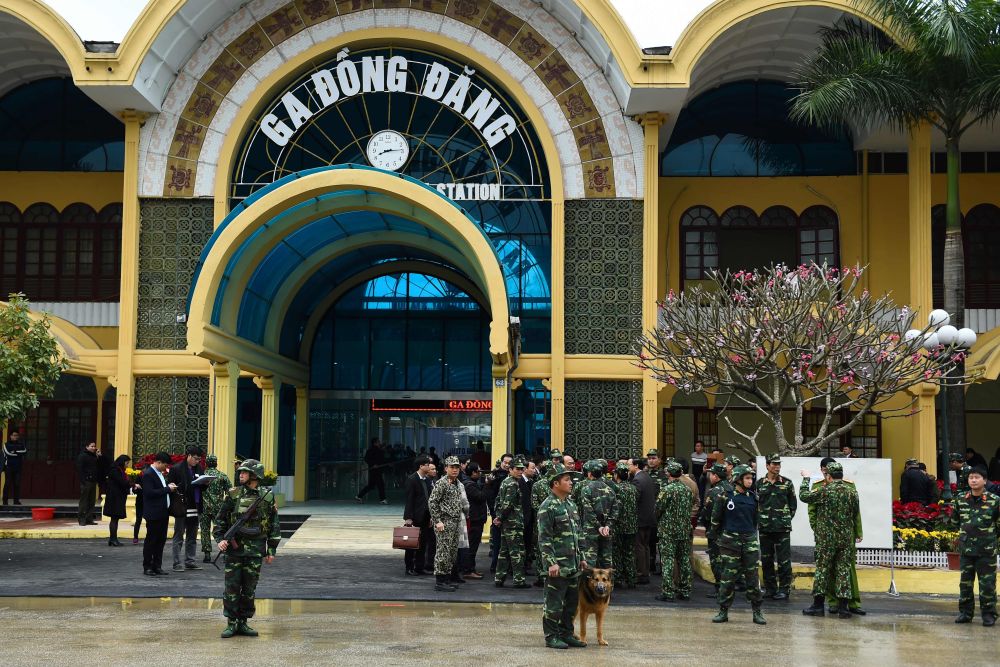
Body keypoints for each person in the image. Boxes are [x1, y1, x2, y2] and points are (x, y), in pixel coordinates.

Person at [215, 458, 280, 638]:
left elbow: (274, 524)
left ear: (254, 475)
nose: (240, 474)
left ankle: (243, 622)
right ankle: (231, 623)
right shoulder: (233, 494)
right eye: (240, 472)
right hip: (234, 550)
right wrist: (220, 539)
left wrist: (271, 549)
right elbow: (220, 520)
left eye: (244, 472)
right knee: (231, 588)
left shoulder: (267, 496)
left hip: (255, 550)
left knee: (249, 589)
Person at [800, 461, 861, 619]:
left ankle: (818, 606)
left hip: (826, 539)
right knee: (843, 571)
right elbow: (855, 514)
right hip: (846, 539)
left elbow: (804, 496)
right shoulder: (852, 492)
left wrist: (806, 479)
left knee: (823, 570)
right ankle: (843, 609)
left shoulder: (824, 490)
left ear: (828, 475)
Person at [537, 468, 589, 650]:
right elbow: (544, 538)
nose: (571, 482)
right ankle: (551, 636)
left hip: (573, 564)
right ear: (555, 484)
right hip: (557, 565)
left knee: (571, 604)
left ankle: (566, 633)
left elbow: (578, 533)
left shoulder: (570, 504)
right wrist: (551, 562)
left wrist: (582, 557)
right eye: (567, 479)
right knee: (554, 603)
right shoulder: (547, 507)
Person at [709, 464, 765, 625]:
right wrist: (719, 539)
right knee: (728, 578)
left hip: (749, 542)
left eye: (751, 477)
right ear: (738, 479)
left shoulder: (754, 498)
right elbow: (716, 520)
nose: (750, 480)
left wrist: (750, 536)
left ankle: (757, 611)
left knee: (753, 578)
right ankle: (723, 611)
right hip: (729, 542)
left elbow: (756, 521)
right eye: (747, 478)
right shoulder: (725, 496)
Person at [948, 466, 999, 626]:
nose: (974, 480)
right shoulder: (960, 499)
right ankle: (965, 613)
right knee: (965, 583)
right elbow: (955, 521)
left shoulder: (995, 500)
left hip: (986, 550)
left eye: (977, 477)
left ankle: (989, 615)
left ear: (984, 480)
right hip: (967, 550)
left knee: (987, 584)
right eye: (971, 478)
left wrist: (989, 538)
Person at [756, 454, 796, 600]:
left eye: (779, 464)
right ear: (767, 465)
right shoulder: (760, 484)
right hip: (765, 528)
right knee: (766, 560)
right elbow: (756, 504)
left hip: (782, 528)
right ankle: (770, 589)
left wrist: (783, 519)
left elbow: (793, 506)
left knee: (784, 560)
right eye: (774, 464)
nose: (777, 467)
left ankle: (784, 590)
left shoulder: (787, 483)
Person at [655, 461, 693, 602]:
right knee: (684, 560)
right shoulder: (687, 489)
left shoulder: (667, 489)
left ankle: (668, 591)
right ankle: (685, 590)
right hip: (683, 529)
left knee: (668, 560)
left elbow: (658, 508)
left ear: (669, 474)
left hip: (668, 530)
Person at [429, 456, 466, 592]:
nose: (455, 470)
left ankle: (447, 578)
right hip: (444, 522)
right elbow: (432, 502)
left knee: (451, 552)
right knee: (443, 552)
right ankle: (440, 581)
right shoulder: (442, 482)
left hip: (455, 522)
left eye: (457, 467)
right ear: (446, 468)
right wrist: (437, 521)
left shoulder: (456, 482)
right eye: (452, 467)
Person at [494, 455, 530, 588]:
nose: (520, 471)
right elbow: (508, 504)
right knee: (517, 552)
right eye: (517, 469)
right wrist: (500, 518)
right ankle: (519, 580)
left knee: (504, 551)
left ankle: (499, 578)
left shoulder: (505, 481)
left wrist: (498, 517)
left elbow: (498, 501)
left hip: (507, 523)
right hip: (513, 523)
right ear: (510, 469)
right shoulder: (513, 484)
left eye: (521, 469)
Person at [168, 445, 205, 571]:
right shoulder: (176, 468)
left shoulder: (199, 468)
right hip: (182, 506)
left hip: (196, 504)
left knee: (192, 535)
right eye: (195, 458)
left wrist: (205, 483)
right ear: (188, 456)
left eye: (199, 459)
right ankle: (177, 563)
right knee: (179, 535)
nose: (197, 461)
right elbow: (171, 487)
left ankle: (190, 561)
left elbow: (202, 488)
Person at [141, 452, 177, 576]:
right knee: (151, 540)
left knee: (161, 541)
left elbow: (160, 489)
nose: (166, 468)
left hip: (163, 512)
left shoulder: (160, 474)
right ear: (159, 462)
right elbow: (150, 492)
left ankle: (157, 566)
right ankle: (148, 566)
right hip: (153, 513)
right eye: (165, 465)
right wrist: (167, 489)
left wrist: (168, 487)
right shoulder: (148, 474)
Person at [577, 459, 617, 568]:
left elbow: (588, 510)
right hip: (606, 531)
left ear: (589, 473)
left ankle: (590, 585)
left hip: (590, 530)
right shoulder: (610, 489)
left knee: (589, 561)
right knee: (606, 560)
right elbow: (615, 511)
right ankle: (606, 584)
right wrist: (607, 526)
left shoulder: (586, 489)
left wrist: (598, 526)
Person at [699, 463, 731, 598]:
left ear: (716, 476)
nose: (709, 476)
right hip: (729, 532)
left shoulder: (714, 491)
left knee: (717, 561)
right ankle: (728, 587)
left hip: (716, 532)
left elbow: (707, 514)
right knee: (728, 561)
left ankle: (719, 589)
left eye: (711, 474)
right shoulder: (731, 488)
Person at [403, 455, 434, 576]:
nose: (429, 466)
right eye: (427, 464)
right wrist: (408, 517)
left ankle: (419, 567)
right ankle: (409, 567)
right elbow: (409, 500)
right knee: (411, 543)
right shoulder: (412, 479)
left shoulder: (427, 480)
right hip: (415, 517)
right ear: (421, 466)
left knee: (423, 543)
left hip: (425, 516)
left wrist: (431, 516)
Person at [200, 454, 232, 563]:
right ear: (216, 463)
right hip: (219, 507)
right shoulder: (222, 476)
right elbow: (230, 492)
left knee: (204, 530)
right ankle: (224, 552)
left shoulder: (202, 475)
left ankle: (207, 554)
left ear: (206, 463)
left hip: (204, 507)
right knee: (221, 529)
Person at [531, 461, 558, 587]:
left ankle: (541, 576)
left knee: (540, 549)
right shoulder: (557, 484)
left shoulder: (537, 485)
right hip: (557, 522)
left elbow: (534, 504)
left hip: (540, 521)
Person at [611, 463, 638, 589]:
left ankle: (617, 579)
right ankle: (631, 579)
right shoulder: (633, 488)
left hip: (618, 526)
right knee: (629, 553)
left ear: (616, 475)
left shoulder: (615, 489)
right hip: (631, 526)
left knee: (617, 552)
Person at [631, 457, 657, 585]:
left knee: (640, 546)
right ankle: (645, 572)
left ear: (636, 466)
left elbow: (635, 499)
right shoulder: (646, 476)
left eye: (630, 465)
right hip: (649, 517)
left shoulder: (637, 479)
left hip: (641, 518)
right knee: (645, 546)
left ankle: (641, 574)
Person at [461, 461, 487, 578]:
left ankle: (471, 568)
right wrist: (488, 485)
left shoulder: (470, 483)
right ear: (473, 472)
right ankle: (468, 570)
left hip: (476, 519)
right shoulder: (469, 485)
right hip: (475, 520)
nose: (480, 474)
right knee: (471, 546)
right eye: (479, 471)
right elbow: (481, 497)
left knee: (473, 546)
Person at [103, 454, 131, 546]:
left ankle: (113, 539)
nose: (127, 465)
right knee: (114, 518)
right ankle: (113, 539)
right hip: (114, 498)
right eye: (126, 463)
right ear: (122, 462)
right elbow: (122, 482)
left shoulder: (119, 470)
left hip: (117, 497)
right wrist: (132, 484)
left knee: (115, 519)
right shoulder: (115, 470)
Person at [356, 437, 388, 504]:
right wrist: (373, 464)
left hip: (376, 470)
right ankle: (382, 499)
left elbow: (382, 459)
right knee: (380, 485)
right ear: (375, 443)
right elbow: (367, 459)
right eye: (378, 442)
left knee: (371, 485)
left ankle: (359, 496)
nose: (379, 443)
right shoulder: (372, 450)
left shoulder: (378, 450)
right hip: (375, 471)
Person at [76, 441, 101, 525]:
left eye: (94, 446)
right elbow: (80, 469)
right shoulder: (82, 456)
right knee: (84, 501)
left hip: (93, 481)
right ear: (87, 447)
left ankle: (89, 518)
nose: (94, 448)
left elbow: (99, 466)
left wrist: (98, 456)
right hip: (86, 481)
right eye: (92, 446)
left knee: (91, 501)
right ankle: (81, 519)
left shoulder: (94, 456)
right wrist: (83, 481)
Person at [2, 429, 26, 505]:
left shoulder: (21, 444)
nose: (15, 437)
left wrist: (15, 452)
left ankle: (16, 501)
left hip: (18, 467)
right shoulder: (6, 444)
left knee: (17, 484)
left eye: (17, 435)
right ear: (10, 436)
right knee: (7, 484)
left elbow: (24, 451)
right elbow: (8, 453)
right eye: (14, 435)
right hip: (9, 467)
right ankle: (5, 501)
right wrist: (18, 453)